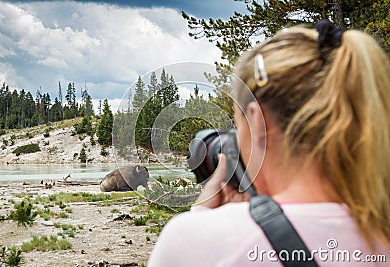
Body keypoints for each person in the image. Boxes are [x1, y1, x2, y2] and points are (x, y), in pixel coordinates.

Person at [147, 21, 390, 266]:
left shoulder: (194, 241)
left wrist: (200, 220)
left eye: (237, 125)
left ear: (257, 121)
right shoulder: (381, 233)